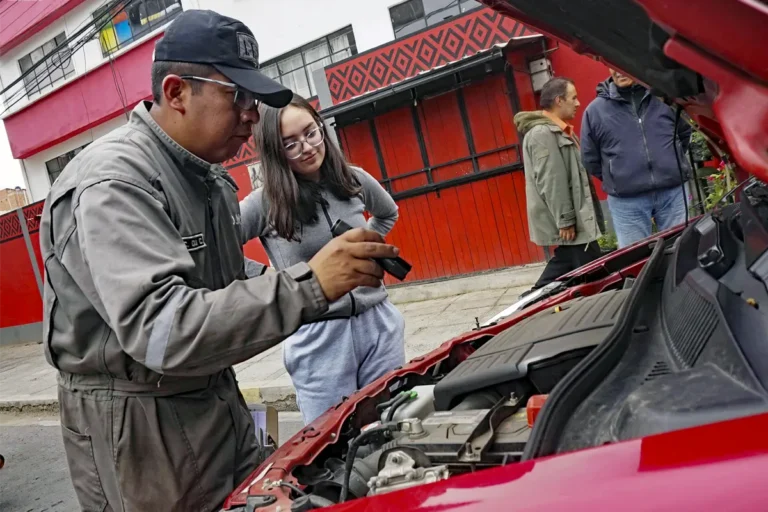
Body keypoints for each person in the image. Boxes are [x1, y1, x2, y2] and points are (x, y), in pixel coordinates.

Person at [39, 10, 400, 512]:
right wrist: (310, 284)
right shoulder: (114, 182)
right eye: (240, 97)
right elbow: (163, 330)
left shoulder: (206, 178)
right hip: (143, 433)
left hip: (214, 399)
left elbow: (224, 276)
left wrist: (315, 276)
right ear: (177, 92)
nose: (253, 115)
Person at [240, 95, 406, 425]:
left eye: (311, 132)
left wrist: (364, 247)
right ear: (274, 151)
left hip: (378, 323)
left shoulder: (353, 178)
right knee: (331, 440)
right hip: (319, 338)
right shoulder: (264, 203)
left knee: (390, 427)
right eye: (290, 143)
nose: (307, 147)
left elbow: (388, 213)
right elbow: (218, 249)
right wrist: (271, 278)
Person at [581, 68, 692, 248]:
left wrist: (671, 161)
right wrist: (617, 177)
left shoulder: (663, 99)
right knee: (635, 257)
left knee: (681, 250)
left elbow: (684, 133)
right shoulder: (595, 111)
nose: (618, 72)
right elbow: (589, 158)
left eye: (621, 65)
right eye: (612, 66)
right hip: (627, 201)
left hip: (672, 193)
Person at [514, 77, 604, 290]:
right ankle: (530, 303)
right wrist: (565, 220)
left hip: (577, 218)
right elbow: (551, 180)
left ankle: (531, 302)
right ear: (559, 101)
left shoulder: (558, 130)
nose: (578, 103)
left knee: (573, 266)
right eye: (573, 98)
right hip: (571, 220)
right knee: (589, 272)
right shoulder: (542, 134)